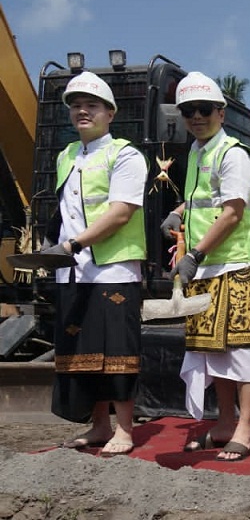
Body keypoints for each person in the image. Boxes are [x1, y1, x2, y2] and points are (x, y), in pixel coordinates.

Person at [160, 71, 250, 462]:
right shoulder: (198, 152)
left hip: (235, 264)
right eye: (188, 111)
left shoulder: (233, 153)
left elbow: (233, 213)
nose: (196, 117)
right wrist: (178, 210)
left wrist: (194, 254)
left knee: (239, 345)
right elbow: (205, 199)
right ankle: (223, 422)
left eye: (203, 110)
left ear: (220, 112)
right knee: (211, 349)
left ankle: (244, 428)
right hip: (206, 266)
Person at [44, 71, 148, 457]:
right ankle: (99, 424)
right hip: (72, 268)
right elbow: (64, 209)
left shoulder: (125, 155)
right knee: (82, 347)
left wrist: (74, 243)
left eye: (91, 105)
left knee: (117, 349)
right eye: (75, 106)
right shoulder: (66, 155)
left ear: (110, 113)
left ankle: (125, 428)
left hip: (112, 268)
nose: (82, 111)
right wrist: (51, 245)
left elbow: (121, 213)